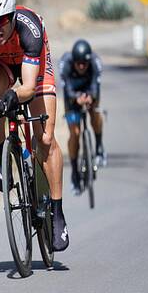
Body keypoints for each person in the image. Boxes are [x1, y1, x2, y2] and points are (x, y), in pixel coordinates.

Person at [0, 0, 68, 251]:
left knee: (44, 139)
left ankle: (57, 212)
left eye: (2, 20)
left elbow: (28, 87)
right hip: (1, 66)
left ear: (12, 16)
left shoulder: (29, 29)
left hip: (32, 63)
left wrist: (15, 95)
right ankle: (3, 156)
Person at [59, 39, 106, 195]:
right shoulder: (65, 63)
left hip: (89, 90)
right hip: (71, 96)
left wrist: (91, 97)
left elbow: (95, 85)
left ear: (88, 61)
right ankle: (74, 172)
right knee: (75, 133)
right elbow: (66, 88)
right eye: (78, 63)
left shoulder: (95, 62)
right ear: (73, 61)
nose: (81, 66)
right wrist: (75, 98)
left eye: (84, 64)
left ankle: (99, 147)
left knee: (96, 112)